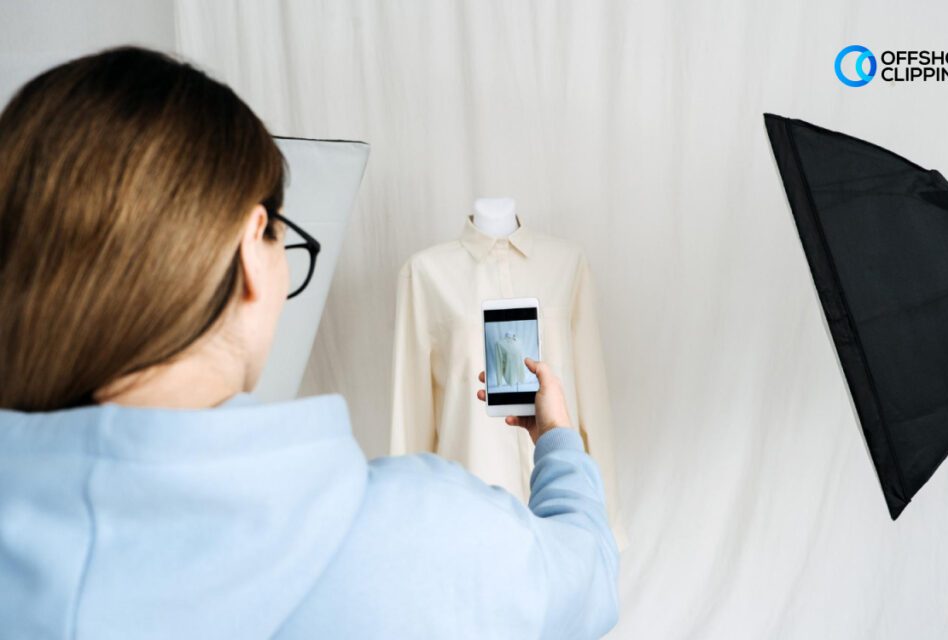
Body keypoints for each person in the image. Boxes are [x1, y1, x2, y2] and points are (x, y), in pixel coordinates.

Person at [0, 46, 619, 639]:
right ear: (251, 247)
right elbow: (587, 575)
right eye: (285, 238)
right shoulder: (426, 536)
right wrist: (556, 440)